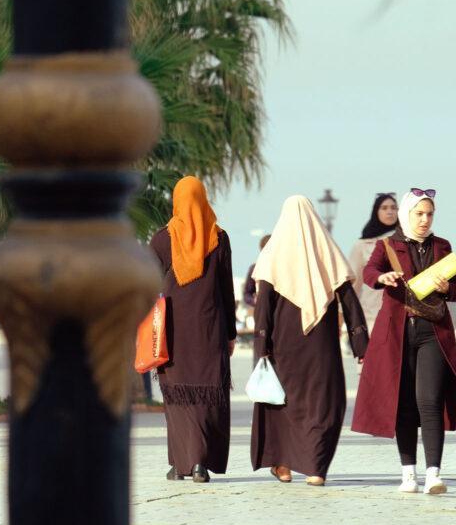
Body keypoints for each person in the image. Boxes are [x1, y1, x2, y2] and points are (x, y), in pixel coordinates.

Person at [351, 188, 456, 495]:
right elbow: (368, 272)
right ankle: (408, 473)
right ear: (408, 214)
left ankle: (434, 473)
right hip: (397, 332)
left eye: (429, 214)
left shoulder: (442, 246)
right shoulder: (388, 245)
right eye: (419, 213)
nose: (424, 219)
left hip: (433, 331)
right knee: (404, 403)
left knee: (429, 401)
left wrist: (446, 289)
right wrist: (383, 278)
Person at [251, 196, 369, 487]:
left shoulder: (272, 255)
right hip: (321, 346)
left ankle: (285, 466)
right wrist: (361, 345)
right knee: (323, 402)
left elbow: (263, 307)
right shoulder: (328, 252)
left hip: (283, 345)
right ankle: (316, 468)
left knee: (282, 403)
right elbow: (350, 301)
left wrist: (260, 349)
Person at [149, 176, 236, 484]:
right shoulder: (219, 238)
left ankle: (185, 462)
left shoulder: (162, 239)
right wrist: (231, 333)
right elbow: (226, 290)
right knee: (205, 394)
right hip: (210, 328)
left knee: (177, 396)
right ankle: (194, 462)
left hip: (173, 331)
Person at [348, 193, 399, 332]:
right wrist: (345, 313)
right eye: (384, 208)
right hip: (372, 314)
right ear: (376, 211)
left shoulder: (407, 240)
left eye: (394, 207)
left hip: (402, 310)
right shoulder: (362, 245)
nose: (390, 211)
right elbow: (354, 282)